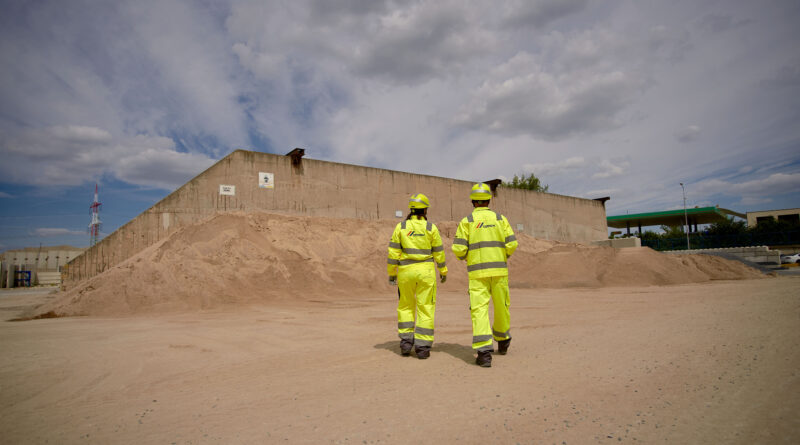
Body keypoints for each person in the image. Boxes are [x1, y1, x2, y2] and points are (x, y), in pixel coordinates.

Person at [452, 183, 518, 367]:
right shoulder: (500, 219)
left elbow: (458, 248)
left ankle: (484, 353)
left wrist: (466, 257)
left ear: (473, 201)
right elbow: (512, 244)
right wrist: (503, 255)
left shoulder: (467, 221)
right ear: (489, 200)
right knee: (501, 307)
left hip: (477, 274)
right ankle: (503, 340)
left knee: (479, 311)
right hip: (499, 272)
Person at [387, 193, 448, 359]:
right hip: (426, 273)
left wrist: (392, 273)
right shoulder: (430, 228)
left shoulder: (401, 227)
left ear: (411, 209)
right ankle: (422, 348)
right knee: (425, 308)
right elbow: (439, 253)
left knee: (405, 306)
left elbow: (393, 252)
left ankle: (406, 343)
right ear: (425, 209)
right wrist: (443, 271)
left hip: (405, 273)